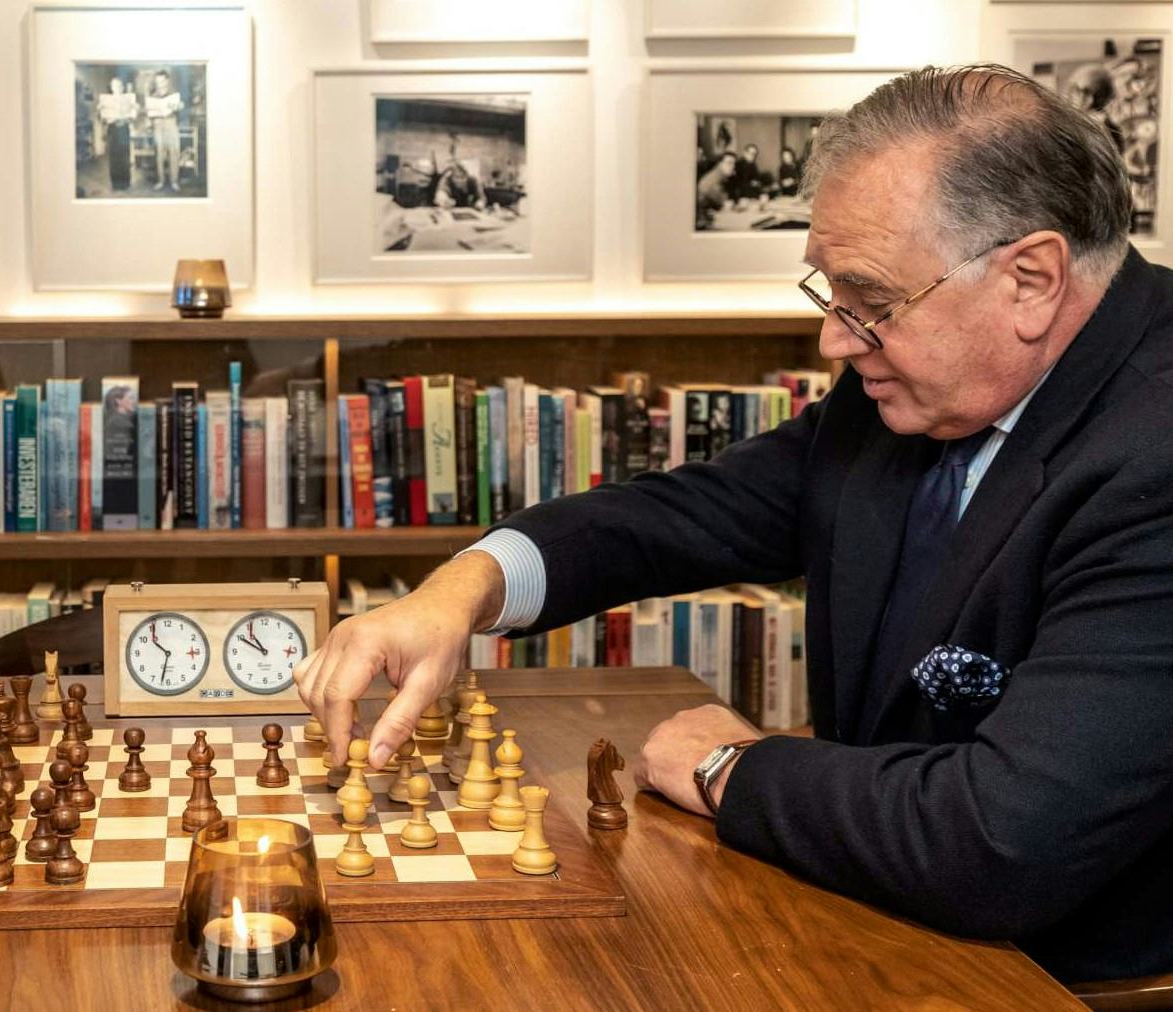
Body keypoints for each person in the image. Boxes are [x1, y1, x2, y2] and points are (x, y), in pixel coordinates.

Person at [296, 63, 1173, 985]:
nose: (836, 339)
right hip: (876, 912)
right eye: (828, 293)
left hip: (1054, 980)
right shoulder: (924, 381)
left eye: (870, 303)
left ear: (1029, 278)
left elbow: (998, 844)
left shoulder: (1153, 455)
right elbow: (688, 512)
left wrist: (728, 765)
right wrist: (460, 590)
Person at [98, 77, 138, 193]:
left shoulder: (128, 98)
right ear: (111, 88)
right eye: (114, 86)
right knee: (114, 156)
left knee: (124, 155)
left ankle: (125, 183)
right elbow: (101, 118)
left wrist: (135, 109)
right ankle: (115, 183)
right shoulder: (106, 100)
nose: (117, 88)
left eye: (119, 86)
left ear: (122, 87)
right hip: (113, 128)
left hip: (124, 127)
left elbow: (133, 115)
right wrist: (100, 110)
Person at [147, 69, 184, 193]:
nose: (160, 84)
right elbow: (149, 113)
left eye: (162, 81)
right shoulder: (152, 95)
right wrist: (150, 112)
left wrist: (180, 106)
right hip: (158, 124)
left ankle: (174, 181)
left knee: (174, 152)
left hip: (171, 122)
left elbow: (180, 109)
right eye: (158, 81)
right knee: (159, 154)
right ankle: (161, 181)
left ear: (167, 80)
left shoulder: (174, 94)